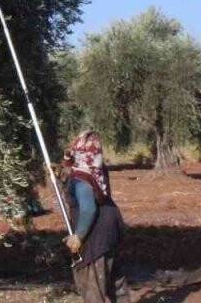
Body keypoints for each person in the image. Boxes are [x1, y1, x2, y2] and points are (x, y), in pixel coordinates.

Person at [61, 130, 128, 303]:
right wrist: (65, 162)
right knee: (116, 285)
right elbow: (72, 167)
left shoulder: (82, 179)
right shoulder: (97, 170)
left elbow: (88, 209)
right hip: (112, 232)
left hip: (95, 238)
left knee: (93, 288)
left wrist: (78, 236)